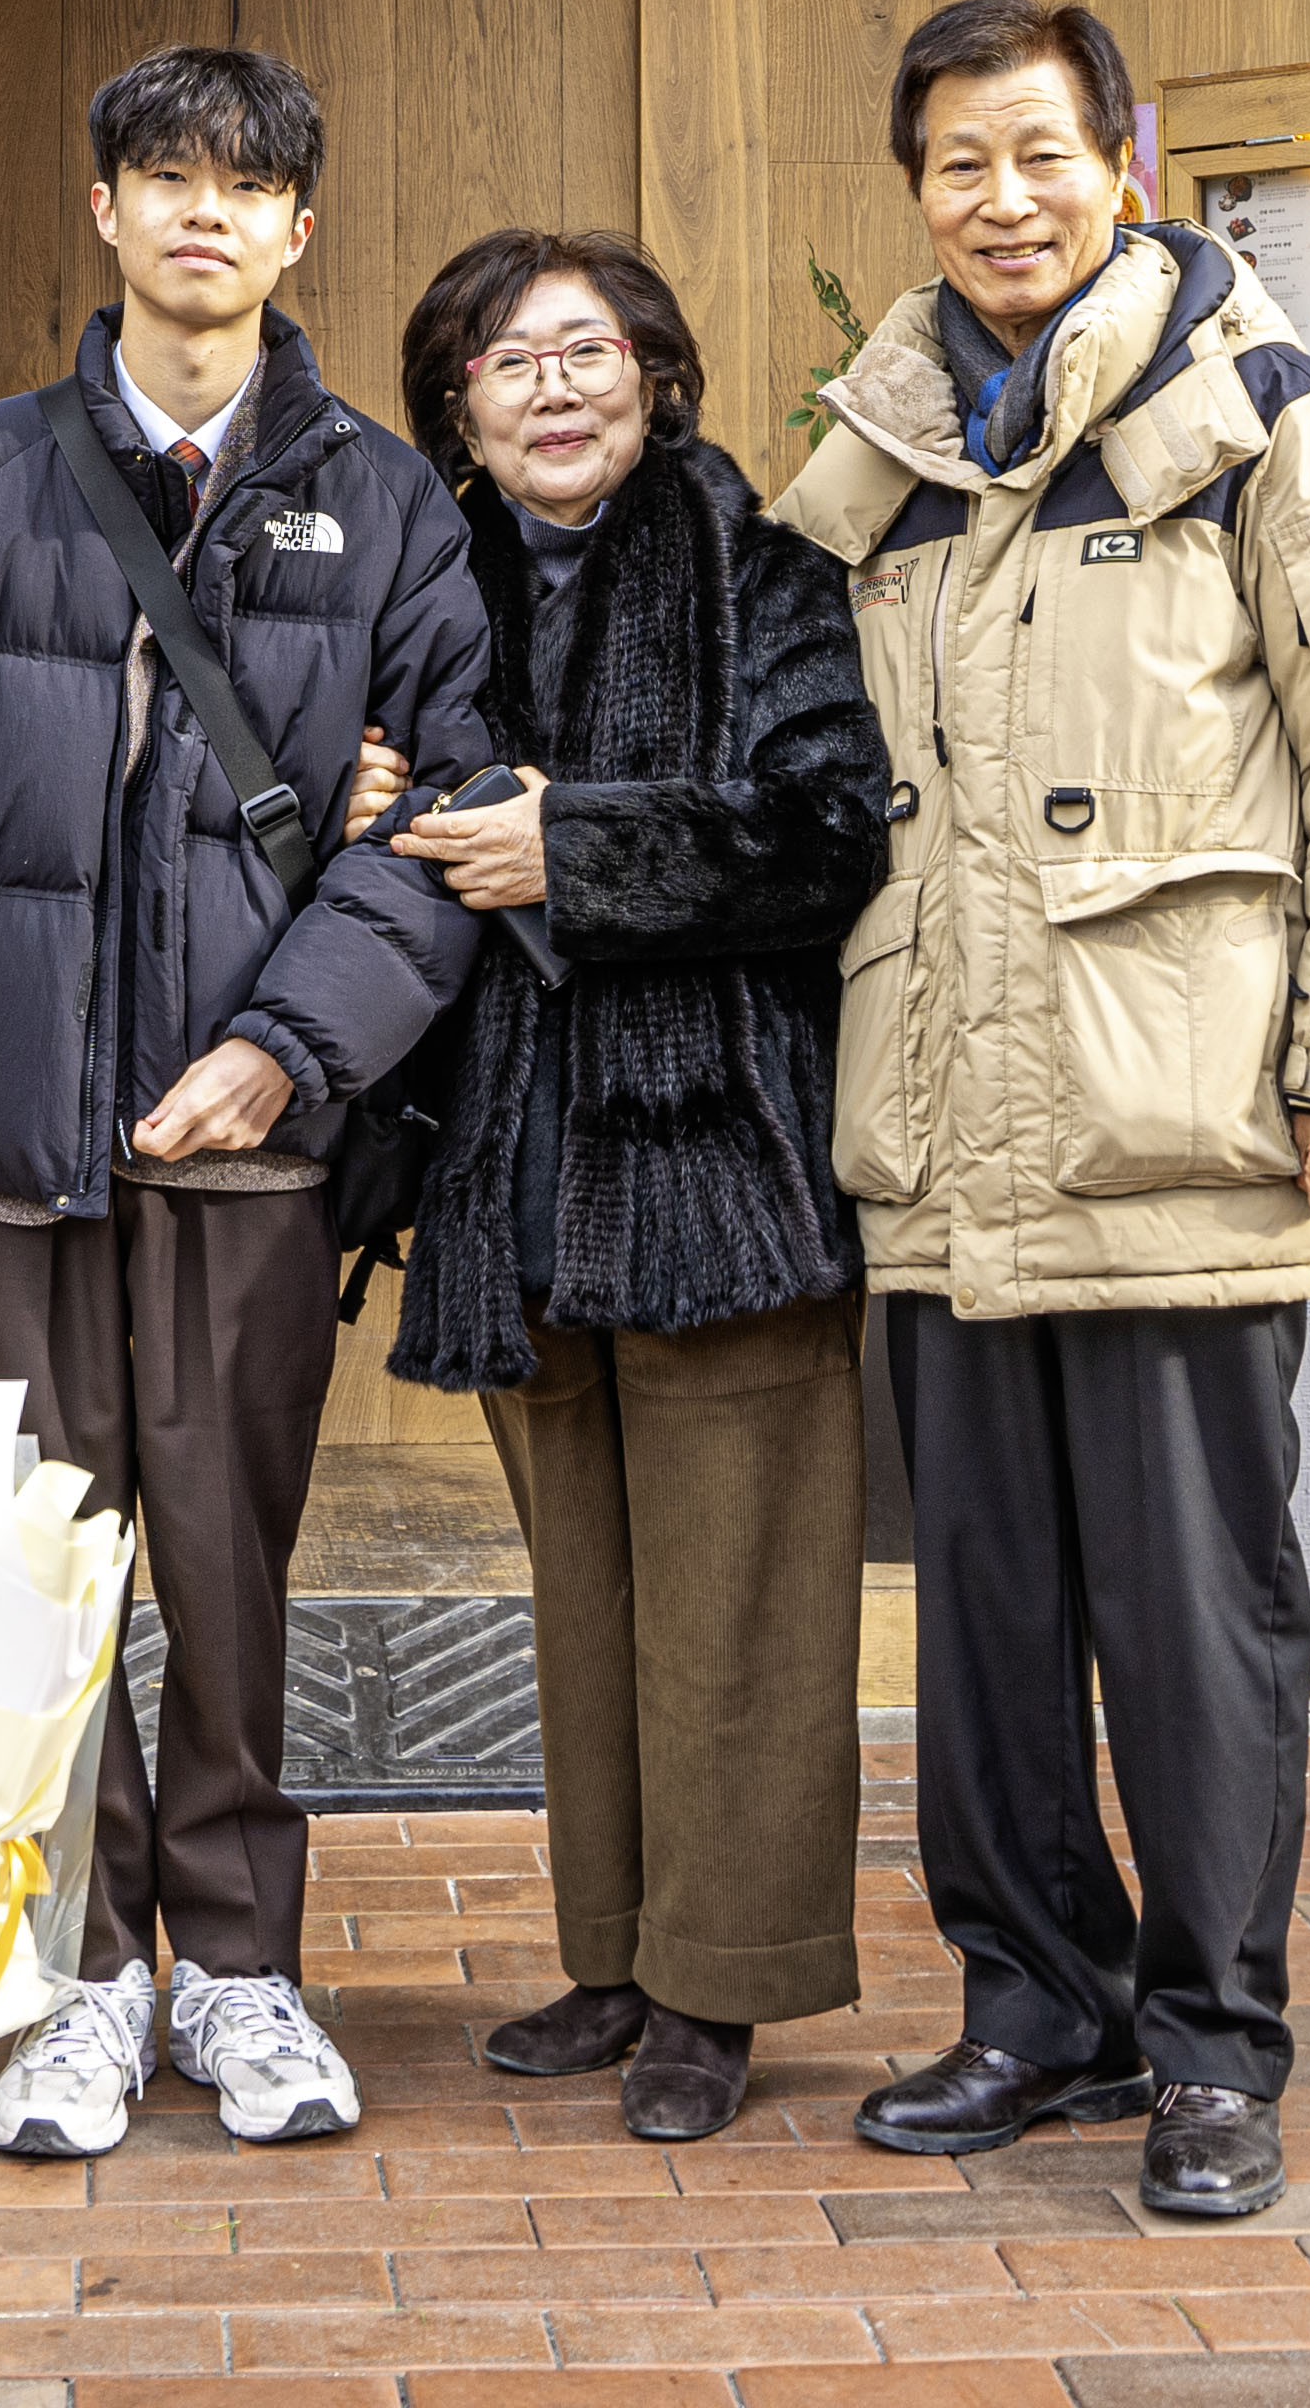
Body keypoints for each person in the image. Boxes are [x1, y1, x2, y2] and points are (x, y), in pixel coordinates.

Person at [765, 0, 1310, 2221]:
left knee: (1191, 1623)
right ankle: (1034, 2008)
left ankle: (1211, 2049)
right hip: (944, 1132)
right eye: (958, 163)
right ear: (915, 190)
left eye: (1041, 154)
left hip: (1183, 1116)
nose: (1003, 200)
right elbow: (791, 774)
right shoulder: (874, 452)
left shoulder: (1267, 414)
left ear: (1123, 163)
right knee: (985, 1621)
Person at [0, 43, 494, 2162]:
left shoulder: (387, 504)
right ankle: (82, 1979)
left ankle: (242, 1968)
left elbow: (443, 816)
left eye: (243, 185)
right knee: (31, 1577)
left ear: (295, 229)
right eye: (165, 176)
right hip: (11, 1155)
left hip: (257, 1149)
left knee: (234, 1571)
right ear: (102, 210)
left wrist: (286, 1047)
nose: (202, 213)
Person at [359, 229, 886, 2142]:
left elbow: (831, 832)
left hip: (721, 1161)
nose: (554, 388)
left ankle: (720, 1984)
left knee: (739, 1606)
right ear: (460, 411)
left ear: (656, 377)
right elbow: (376, 825)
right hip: (514, 1165)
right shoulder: (426, 592)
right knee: (583, 1595)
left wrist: (572, 848)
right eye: (509, 362)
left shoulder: (768, 573)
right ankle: (612, 1953)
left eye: (587, 351)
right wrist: (376, 813)